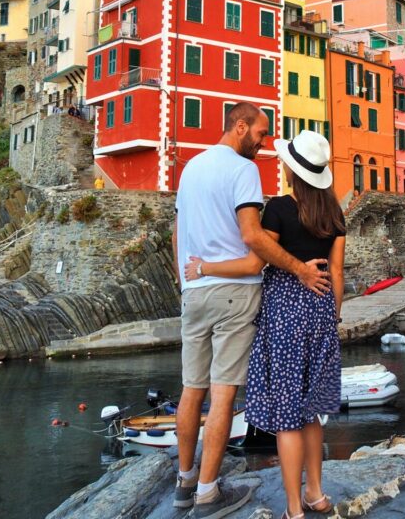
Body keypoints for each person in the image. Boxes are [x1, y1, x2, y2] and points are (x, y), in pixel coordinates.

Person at [172, 104, 330, 519]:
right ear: (239, 127)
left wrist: (187, 281)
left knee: (192, 388)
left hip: (194, 291)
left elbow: (179, 230)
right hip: (234, 293)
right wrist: (298, 268)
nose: (263, 143)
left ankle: (185, 480)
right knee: (223, 393)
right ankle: (207, 493)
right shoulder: (242, 171)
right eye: (260, 134)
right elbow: (251, 236)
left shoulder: (191, 168)